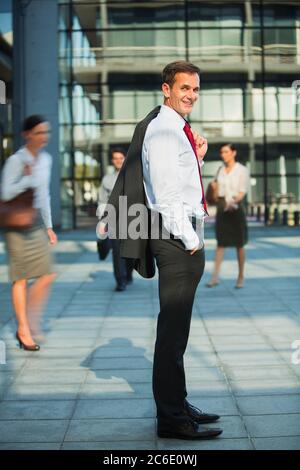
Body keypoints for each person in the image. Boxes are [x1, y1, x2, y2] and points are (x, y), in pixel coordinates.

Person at [100, 61, 223, 440]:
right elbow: (166, 197)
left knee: (177, 334)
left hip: (177, 240)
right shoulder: (166, 132)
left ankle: (179, 404)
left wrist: (198, 155)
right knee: (171, 335)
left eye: (196, 89)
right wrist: (191, 240)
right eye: (184, 88)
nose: (191, 95)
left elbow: (176, 181)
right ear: (166, 89)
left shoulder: (174, 129)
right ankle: (171, 419)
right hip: (176, 242)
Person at [1, 115, 57, 351]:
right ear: (27, 135)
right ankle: (24, 329)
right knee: (21, 278)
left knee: (47, 274)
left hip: (34, 221)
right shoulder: (16, 160)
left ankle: (30, 321)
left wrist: (49, 226)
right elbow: (5, 192)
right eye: (39, 133)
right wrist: (28, 180)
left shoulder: (46, 159)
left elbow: (44, 195)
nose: (44, 137)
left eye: (46, 133)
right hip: (15, 223)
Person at [206, 143, 250, 289]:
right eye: (221, 152)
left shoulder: (242, 170)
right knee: (221, 243)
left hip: (236, 208)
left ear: (233, 153)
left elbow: (242, 191)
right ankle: (215, 276)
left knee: (239, 244)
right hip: (222, 206)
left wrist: (233, 202)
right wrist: (214, 188)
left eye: (226, 151)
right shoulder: (220, 170)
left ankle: (241, 276)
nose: (223, 154)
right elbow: (217, 191)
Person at [97, 148, 134, 291]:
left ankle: (129, 273)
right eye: (115, 158)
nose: (118, 160)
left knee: (130, 250)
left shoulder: (133, 177)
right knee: (117, 251)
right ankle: (120, 281)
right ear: (112, 161)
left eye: (121, 158)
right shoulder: (107, 179)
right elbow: (102, 201)